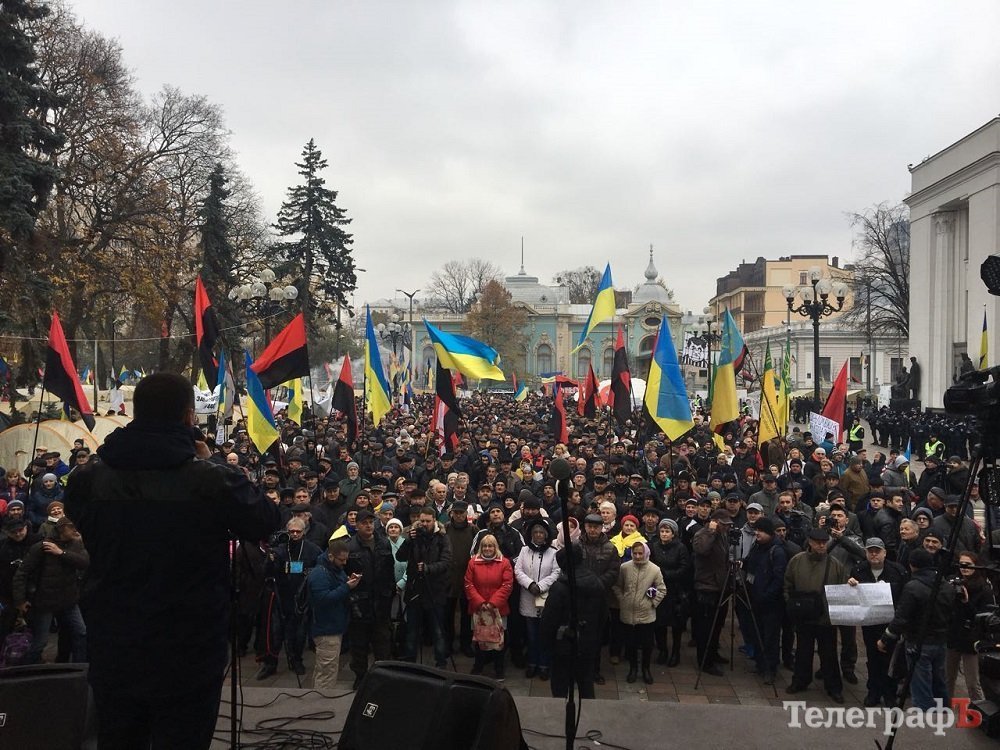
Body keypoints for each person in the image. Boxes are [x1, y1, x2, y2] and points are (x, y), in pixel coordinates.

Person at [63, 372, 280, 749]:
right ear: (188, 416)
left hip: (115, 639)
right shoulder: (210, 479)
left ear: (135, 411)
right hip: (188, 644)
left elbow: (83, 521)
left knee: (118, 738)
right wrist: (214, 463)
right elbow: (265, 519)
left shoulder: (87, 479)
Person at [878, 549, 956, 711]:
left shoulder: (913, 587)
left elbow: (901, 618)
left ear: (912, 565)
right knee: (938, 680)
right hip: (941, 640)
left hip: (918, 640)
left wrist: (885, 639)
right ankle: (944, 716)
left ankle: (925, 720)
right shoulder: (946, 585)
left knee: (920, 684)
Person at [12, 516, 89, 664]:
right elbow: (22, 574)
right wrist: (20, 601)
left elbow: (84, 562)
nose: (75, 530)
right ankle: (27, 669)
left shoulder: (75, 543)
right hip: (45, 601)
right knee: (40, 641)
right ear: (62, 529)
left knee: (81, 632)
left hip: (68, 599)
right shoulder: (41, 547)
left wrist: (61, 553)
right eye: (71, 527)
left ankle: (80, 666)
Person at [784, 528, 849, 703]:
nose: (821, 545)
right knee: (803, 652)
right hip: (803, 616)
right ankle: (800, 681)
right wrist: (791, 604)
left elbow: (842, 589)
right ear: (810, 543)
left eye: (824, 542)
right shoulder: (796, 561)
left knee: (829, 654)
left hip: (826, 619)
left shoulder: (835, 564)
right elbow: (788, 584)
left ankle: (834, 687)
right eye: (818, 542)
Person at [540, 543, 608, 698]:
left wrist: (546, 644)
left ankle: (561, 716)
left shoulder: (559, 588)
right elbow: (603, 615)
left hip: (563, 645)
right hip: (588, 643)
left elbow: (549, 621)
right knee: (586, 684)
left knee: (560, 685)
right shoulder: (596, 582)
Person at [847, 538, 908, 707]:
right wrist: (851, 584)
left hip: (891, 625)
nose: (874, 554)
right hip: (870, 625)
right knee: (873, 659)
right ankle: (873, 691)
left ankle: (890, 693)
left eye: (877, 551)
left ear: (884, 553)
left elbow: (904, 598)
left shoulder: (898, 571)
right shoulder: (858, 570)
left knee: (890, 661)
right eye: (870, 551)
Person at [345, 508, 397, 688]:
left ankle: (383, 677)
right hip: (360, 603)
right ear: (357, 525)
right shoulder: (350, 546)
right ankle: (360, 676)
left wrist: (389, 591)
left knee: (382, 642)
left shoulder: (384, 543)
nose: (368, 526)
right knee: (359, 644)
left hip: (381, 602)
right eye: (364, 523)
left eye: (370, 522)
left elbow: (389, 569)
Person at [395, 505, 452, 667]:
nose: (424, 524)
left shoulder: (442, 538)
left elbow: (446, 562)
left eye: (428, 521)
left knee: (438, 630)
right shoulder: (414, 537)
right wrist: (408, 540)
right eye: (422, 521)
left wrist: (428, 568)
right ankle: (410, 660)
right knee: (412, 630)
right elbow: (400, 557)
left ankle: (441, 661)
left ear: (434, 520)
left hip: (435, 590)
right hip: (415, 590)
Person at [307, 539, 361, 690]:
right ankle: (322, 702)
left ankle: (316, 698)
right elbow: (323, 599)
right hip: (326, 629)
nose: (344, 563)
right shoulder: (320, 574)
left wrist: (347, 582)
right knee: (327, 671)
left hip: (333, 625)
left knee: (323, 669)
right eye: (341, 560)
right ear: (331, 556)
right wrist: (346, 587)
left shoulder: (333, 570)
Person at [613, 540, 666, 684]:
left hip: (646, 614)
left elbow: (662, 589)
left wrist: (652, 603)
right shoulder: (624, 568)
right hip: (627, 613)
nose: (637, 556)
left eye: (640, 553)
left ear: (646, 553)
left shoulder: (654, 569)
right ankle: (633, 669)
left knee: (647, 644)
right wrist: (622, 600)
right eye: (634, 553)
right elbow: (617, 586)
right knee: (630, 644)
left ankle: (645, 669)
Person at [946, 552, 996, 704]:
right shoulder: (955, 583)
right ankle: (944, 705)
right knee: (947, 677)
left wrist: (967, 602)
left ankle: (979, 709)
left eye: (968, 564)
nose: (964, 568)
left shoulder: (984, 588)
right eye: (961, 564)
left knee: (973, 681)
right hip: (954, 635)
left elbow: (984, 617)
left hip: (972, 638)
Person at [743, 517, 787, 685]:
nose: (757, 533)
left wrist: (766, 595)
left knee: (770, 637)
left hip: (771, 603)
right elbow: (751, 566)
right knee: (757, 633)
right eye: (756, 530)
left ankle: (770, 668)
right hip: (755, 599)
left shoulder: (777, 551)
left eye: (760, 531)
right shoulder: (757, 546)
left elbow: (778, 578)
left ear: (768, 532)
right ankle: (760, 664)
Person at [514, 518, 559, 679]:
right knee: (531, 636)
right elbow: (518, 570)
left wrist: (541, 586)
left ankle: (544, 665)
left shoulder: (553, 552)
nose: (538, 535)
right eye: (535, 533)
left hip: (545, 598)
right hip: (528, 597)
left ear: (546, 535)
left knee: (545, 635)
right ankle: (532, 663)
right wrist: (530, 584)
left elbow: (556, 572)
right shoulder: (524, 550)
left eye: (541, 533)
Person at [464, 533, 514, 679]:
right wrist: (479, 602)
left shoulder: (504, 563)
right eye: (484, 546)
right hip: (478, 608)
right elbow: (468, 583)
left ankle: (499, 668)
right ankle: (478, 666)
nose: (487, 548)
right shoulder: (473, 562)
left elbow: (507, 585)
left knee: (498, 639)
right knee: (479, 638)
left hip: (497, 609)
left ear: (495, 547)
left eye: (490, 546)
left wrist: (493, 603)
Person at [578, 512, 620, 684]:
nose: (593, 530)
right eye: (590, 526)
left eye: (596, 526)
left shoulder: (611, 548)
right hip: (580, 597)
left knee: (596, 638)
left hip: (599, 598)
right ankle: (578, 670)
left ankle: (594, 670)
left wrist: (597, 584)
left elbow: (614, 571)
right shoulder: (576, 545)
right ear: (585, 527)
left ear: (602, 527)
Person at [691, 509, 732, 676]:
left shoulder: (722, 535)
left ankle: (713, 653)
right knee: (706, 627)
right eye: (724, 524)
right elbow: (701, 550)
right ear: (715, 522)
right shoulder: (703, 533)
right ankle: (705, 661)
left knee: (717, 625)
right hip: (706, 587)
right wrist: (711, 531)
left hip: (720, 587)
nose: (727, 528)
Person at [648, 518, 691, 667]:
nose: (664, 534)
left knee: (676, 624)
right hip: (658, 589)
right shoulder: (654, 547)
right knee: (658, 623)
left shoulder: (681, 548)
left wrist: (666, 574)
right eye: (662, 531)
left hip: (675, 590)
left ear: (673, 534)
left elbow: (684, 568)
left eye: (667, 531)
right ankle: (662, 650)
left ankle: (675, 652)